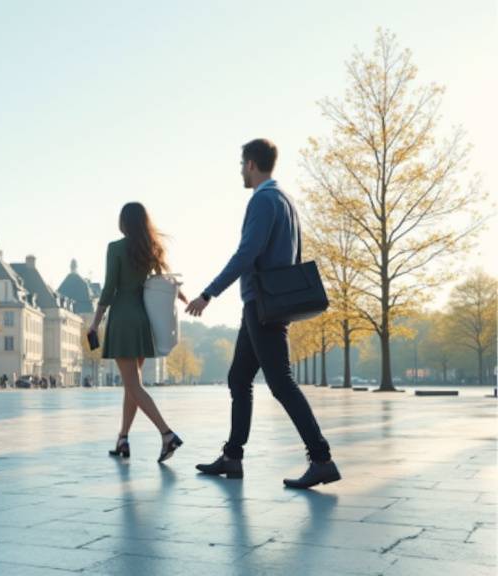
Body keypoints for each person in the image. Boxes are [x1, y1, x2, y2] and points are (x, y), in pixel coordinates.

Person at [186, 138, 340, 489]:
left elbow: (247, 253)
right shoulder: (286, 200)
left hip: (263, 305)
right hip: (264, 303)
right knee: (239, 379)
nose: (241, 171)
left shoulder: (264, 200)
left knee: (281, 383)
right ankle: (232, 456)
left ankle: (321, 459)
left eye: (242, 165)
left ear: (252, 164)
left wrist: (209, 293)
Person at [88, 202, 188, 464]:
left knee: (132, 384)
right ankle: (123, 438)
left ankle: (166, 434)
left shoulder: (116, 248)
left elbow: (109, 289)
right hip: (142, 319)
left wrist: (95, 322)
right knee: (132, 385)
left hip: (122, 318)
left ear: (123, 222)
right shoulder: (150, 248)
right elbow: (162, 280)